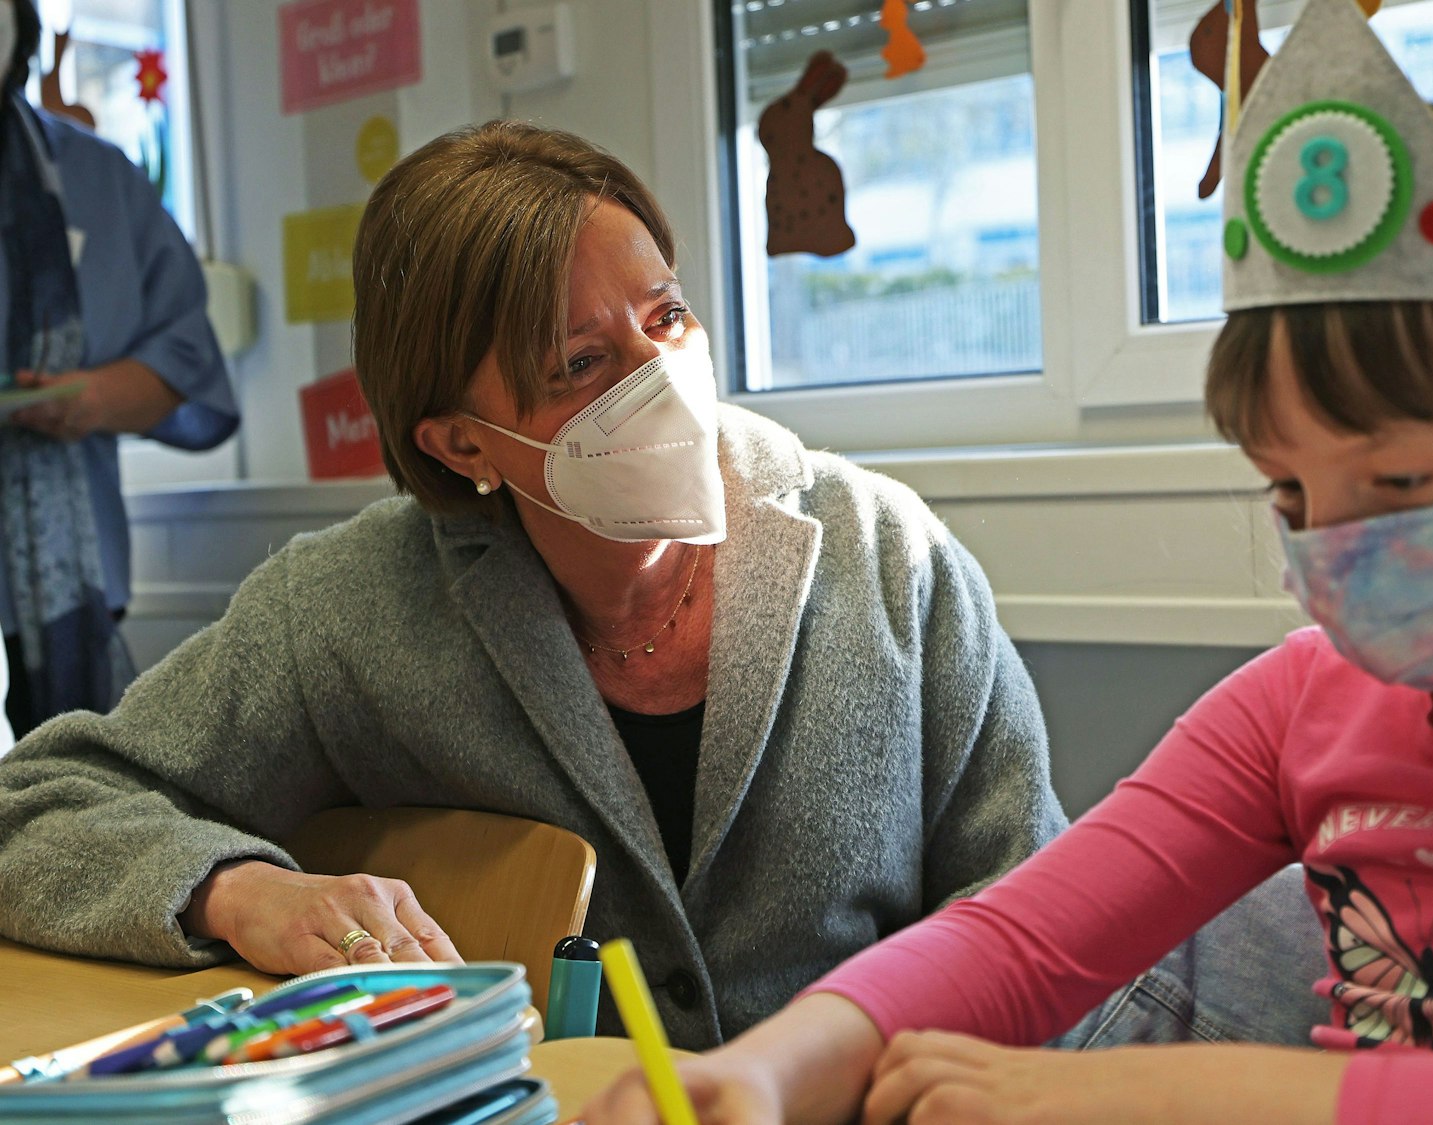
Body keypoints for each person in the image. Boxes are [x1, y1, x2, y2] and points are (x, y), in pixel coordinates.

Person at [580, 0, 1433, 1119]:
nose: (1339, 545)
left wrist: (1162, 1092)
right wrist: (760, 1069)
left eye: (1403, 482)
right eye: (1293, 494)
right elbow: (1021, 940)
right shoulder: (1303, 707)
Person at [0, 120, 1067, 1047]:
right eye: (580, 365)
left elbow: (1036, 906)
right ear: (462, 441)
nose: (659, 379)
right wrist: (240, 891)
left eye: (666, 316)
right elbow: (36, 808)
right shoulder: (347, 608)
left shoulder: (886, 557)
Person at [0, 0, 238, 740]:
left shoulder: (99, 180)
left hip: (77, 578)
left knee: (77, 802)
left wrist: (89, 400)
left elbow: (188, 355)